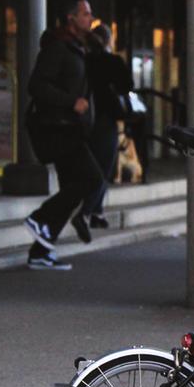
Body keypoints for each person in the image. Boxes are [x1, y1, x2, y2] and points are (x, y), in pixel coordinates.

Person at [23, 0, 102, 269]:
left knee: (73, 187)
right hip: (58, 128)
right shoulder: (57, 47)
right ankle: (40, 218)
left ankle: (40, 252)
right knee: (91, 179)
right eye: (85, 14)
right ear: (71, 18)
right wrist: (72, 102)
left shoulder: (77, 47)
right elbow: (37, 86)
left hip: (71, 128)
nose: (90, 19)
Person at [69, 23, 133, 242]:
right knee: (104, 167)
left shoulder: (84, 61)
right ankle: (86, 211)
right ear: (109, 41)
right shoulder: (112, 62)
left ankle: (96, 212)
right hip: (105, 119)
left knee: (92, 165)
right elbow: (127, 85)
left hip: (82, 118)